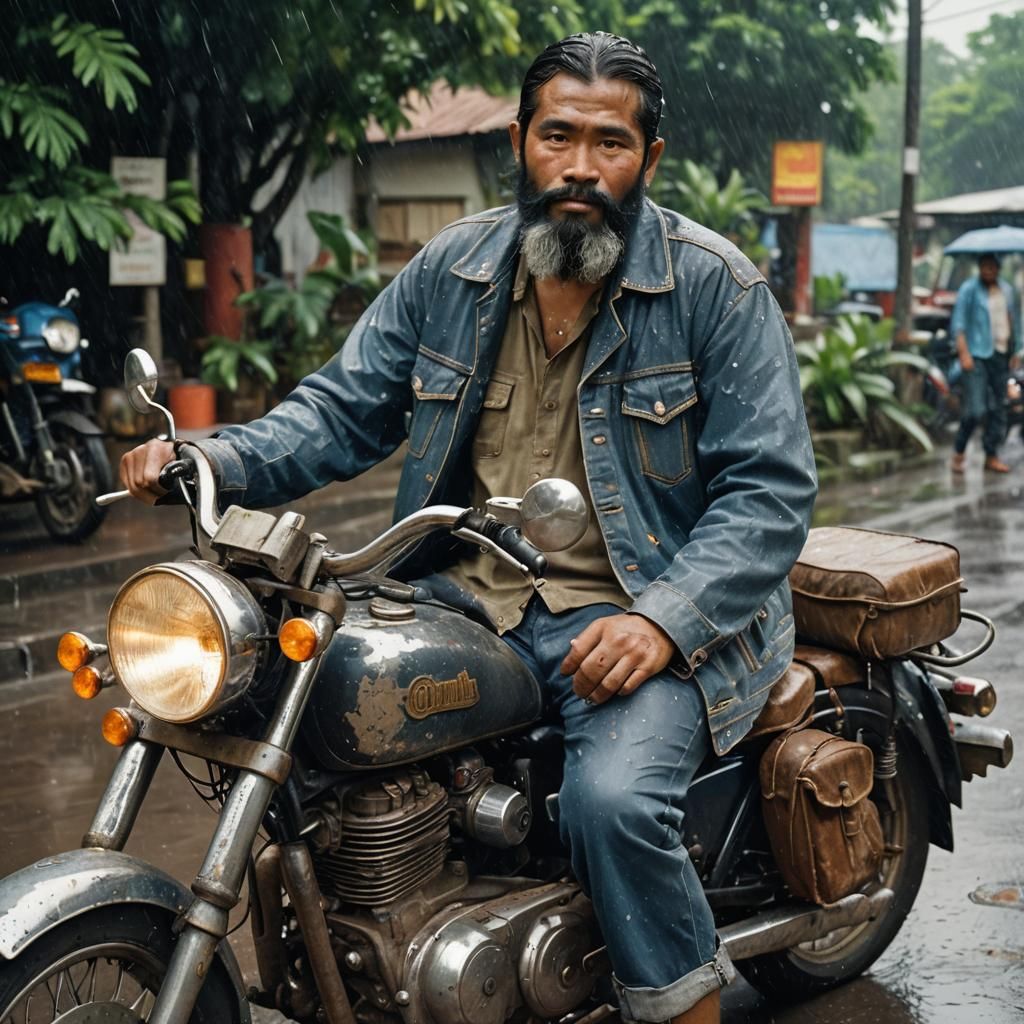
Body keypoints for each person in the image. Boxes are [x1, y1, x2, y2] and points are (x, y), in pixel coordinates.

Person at [121, 32, 817, 1024]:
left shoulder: (715, 288)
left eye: (610, 143)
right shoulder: (453, 269)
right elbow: (343, 408)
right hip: (472, 592)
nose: (580, 166)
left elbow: (770, 495)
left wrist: (663, 621)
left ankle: (679, 1006)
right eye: (559, 136)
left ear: (648, 160)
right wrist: (213, 456)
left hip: (644, 608)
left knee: (610, 807)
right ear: (520, 142)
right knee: (309, 698)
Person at [950, 252, 1022, 474]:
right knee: (975, 409)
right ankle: (959, 450)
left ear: (998, 269)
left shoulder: (1007, 291)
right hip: (976, 356)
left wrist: (1017, 349)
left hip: (1000, 355)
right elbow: (958, 323)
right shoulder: (969, 290)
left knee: (999, 408)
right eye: (985, 267)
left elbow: (1015, 323)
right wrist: (964, 354)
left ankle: (991, 455)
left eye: (992, 267)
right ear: (980, 268)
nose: (988, 271)